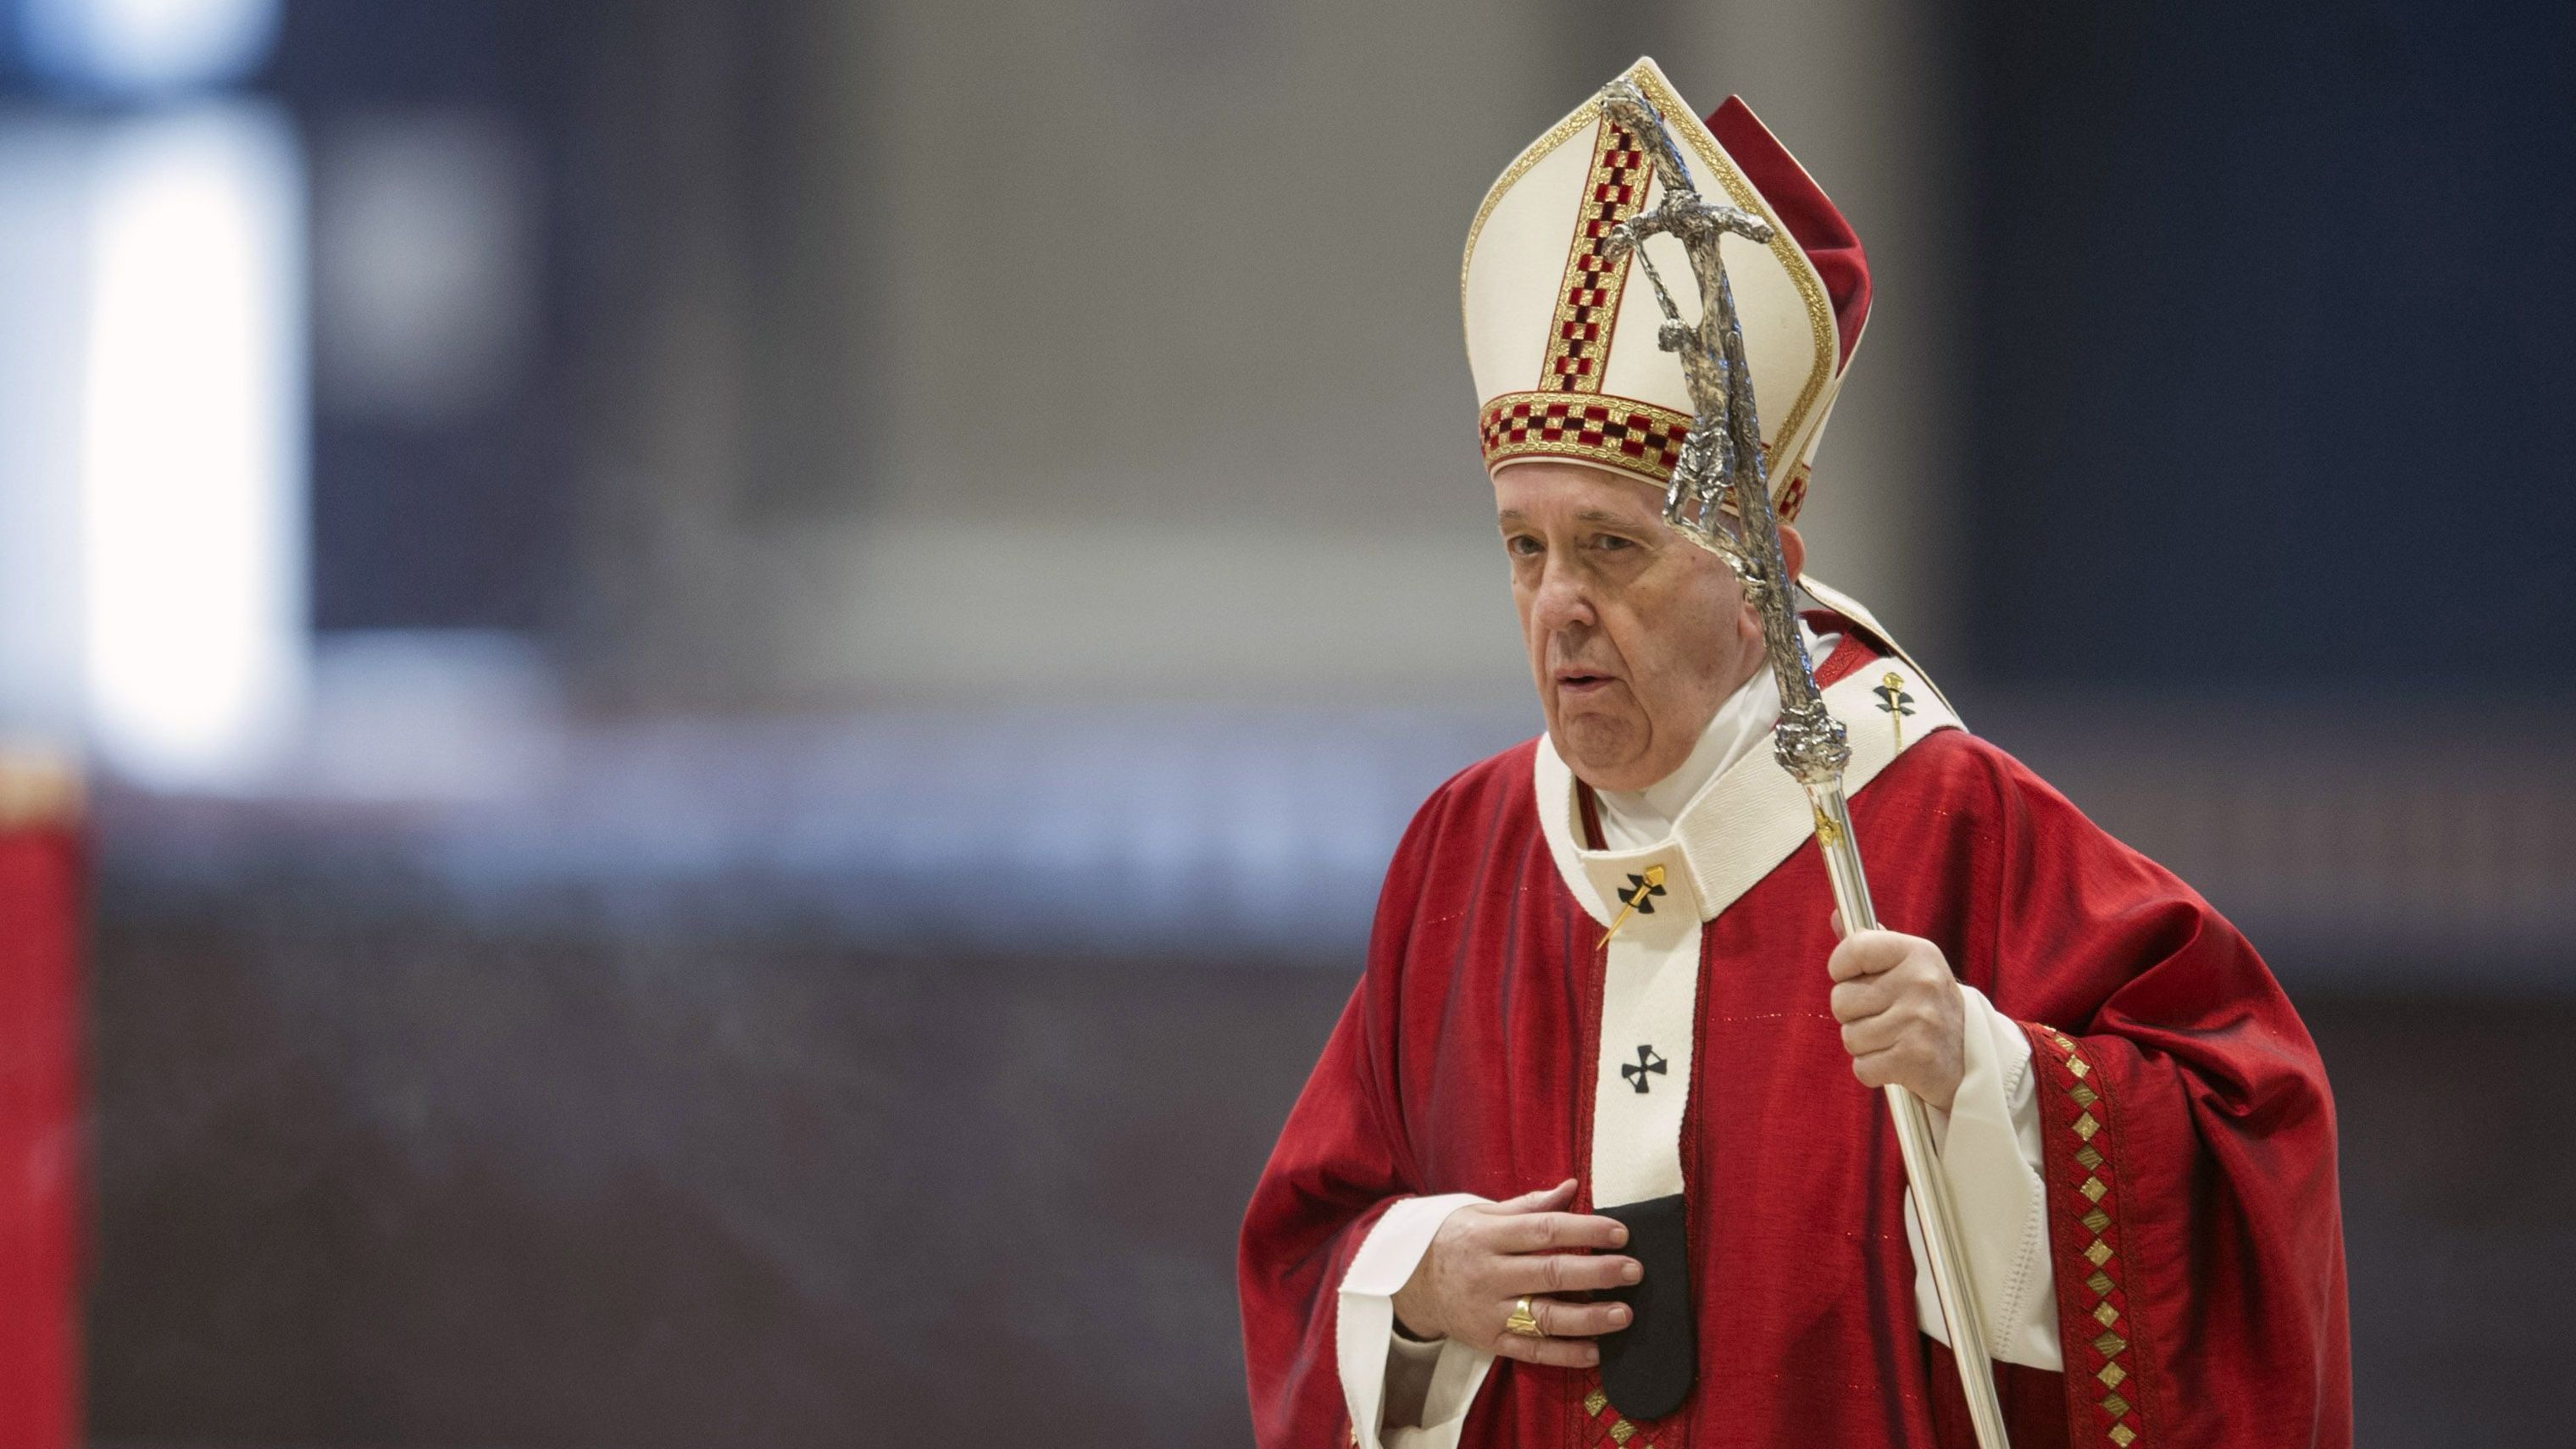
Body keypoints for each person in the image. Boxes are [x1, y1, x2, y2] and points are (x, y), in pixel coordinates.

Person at [1237, 57, 2349, 1449]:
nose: (1558, 605)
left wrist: (1987, 1076)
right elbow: (1310, 1245)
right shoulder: (1463, 854)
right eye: (1524, 548)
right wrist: (1415, 1285)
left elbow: (2251, 1144)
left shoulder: (1947, 820)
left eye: (1614, 547)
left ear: (1770, 559)